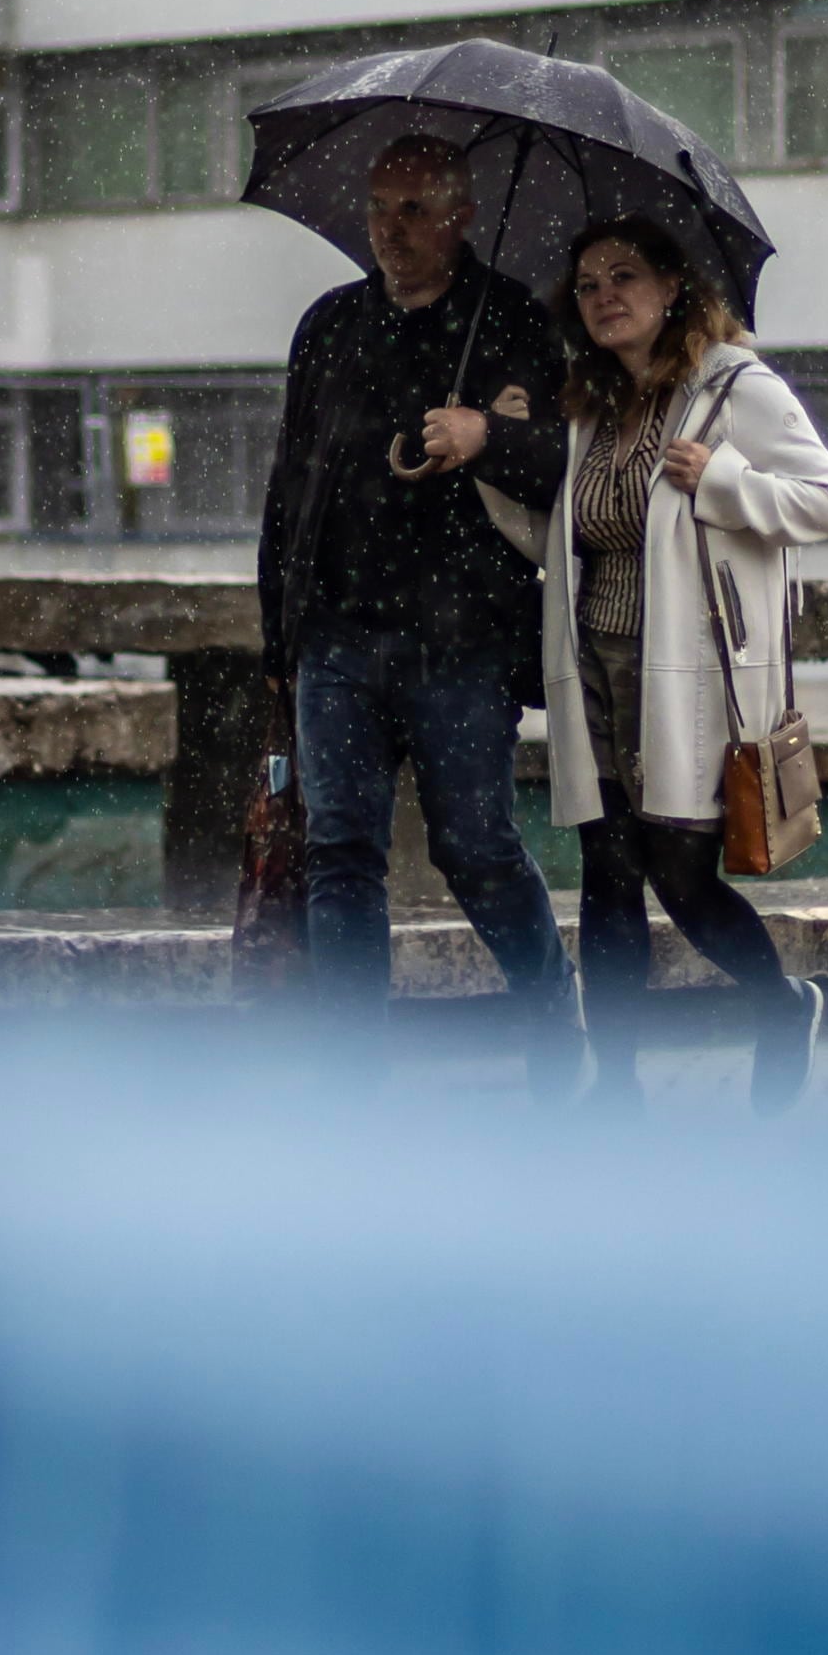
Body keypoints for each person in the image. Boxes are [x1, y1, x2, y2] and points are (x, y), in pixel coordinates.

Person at [256, 134, 579, 1084]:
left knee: (475, 846)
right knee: (339, 849)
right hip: (339, 635)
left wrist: (488, 434)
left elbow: (566, 463)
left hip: (463, 637)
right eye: (378, 208)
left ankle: (554, 1012)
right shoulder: (329, 326)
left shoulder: (513, 320)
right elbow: (288, 487)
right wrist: (281, 632)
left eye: (413, 210)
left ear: (462, 215)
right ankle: (354, 1072)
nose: (390, 231)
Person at [523, 216, 828, 1115]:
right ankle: (617, 1086)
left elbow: (827, 502)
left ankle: (781, 1007)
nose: (605, 296)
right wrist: (483, 456)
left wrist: (723, 478)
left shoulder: (735, 387)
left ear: (674, 288)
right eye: (588, 284)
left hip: (690, 677)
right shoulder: (588, 402)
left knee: (681, 876)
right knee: (606, 869)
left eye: (625, 275)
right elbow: (562, 530)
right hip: (593, 662)